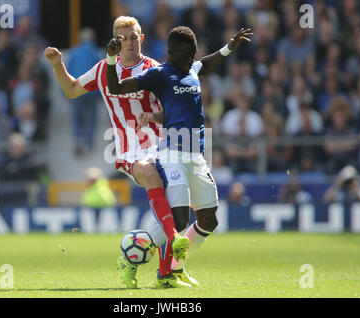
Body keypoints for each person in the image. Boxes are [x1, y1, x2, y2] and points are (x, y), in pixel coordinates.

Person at [44, 16, 189, 289]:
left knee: (176, 204)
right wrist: (57, 65)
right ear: (115, 42)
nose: (130, 43)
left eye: (134, 37)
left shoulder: (156, 70)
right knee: (149, 174)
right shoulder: (103, 70)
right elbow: (72, 90)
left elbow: (175, 108)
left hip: (162, 146)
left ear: (142, 38)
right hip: (127, 148)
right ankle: (173, 238)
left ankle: (160, 273)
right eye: (124, 38)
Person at [106, 26, 252, 287]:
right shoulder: (159, 75)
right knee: (180, 219)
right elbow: (116, 88)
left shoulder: (192, 69)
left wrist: (229, 47)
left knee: (209, 219)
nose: (189, 62)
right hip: (172, 155)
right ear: (170, 54)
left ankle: (175, 268)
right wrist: (111, 59)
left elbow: (207, 64)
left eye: (192, 57)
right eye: (185, 58)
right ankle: (131, 259)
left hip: (196, 157)